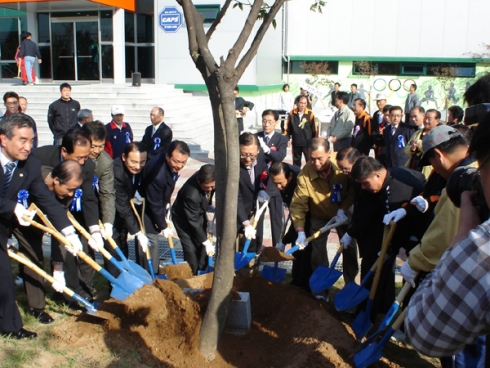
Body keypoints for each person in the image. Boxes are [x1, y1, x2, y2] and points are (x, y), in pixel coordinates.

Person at [404, 115, 490, 363]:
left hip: (467, 299)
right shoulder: (473, 172)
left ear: (438, 157)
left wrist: (415, 261)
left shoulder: (467, 187)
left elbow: (444, 233)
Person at [0, 113, 81, 339]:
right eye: (22, 140)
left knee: (4, 278)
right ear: (3, 139)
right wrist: (12, 207)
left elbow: (46, 199)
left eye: (32, 140)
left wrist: (68, 231)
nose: (29, 146)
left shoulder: (31, 165)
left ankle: (11, 328)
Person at [343, 156, 425, 321]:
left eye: (366, 183)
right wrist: (351, 233)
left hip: (418, 234)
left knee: (413, 282)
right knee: (374, 265)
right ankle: (372, 311)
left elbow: (402, 227)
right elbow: (367, 210)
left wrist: (391, 249)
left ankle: (406, 322)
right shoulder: (378, 185)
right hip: (390, 231)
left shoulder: (399, 191)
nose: (364, 187)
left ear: (377, 176)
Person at [32, 129, 102, 300]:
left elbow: (88, 198)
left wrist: (95, 229)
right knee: (33, 248)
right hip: (31, 203)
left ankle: (70, 290)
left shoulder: (87, 166)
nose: (83, 161)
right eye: (79, 157)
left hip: (63, 203)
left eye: (86, 157)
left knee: (66, 244)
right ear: (64, 151)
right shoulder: (39, 158)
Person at [13, 160, 84, 321]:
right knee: (30, 256)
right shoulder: (33, 174)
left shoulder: (65, 195)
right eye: (70, 189)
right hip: (12, 213)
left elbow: (59, 230)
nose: (71, 194)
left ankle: (37, 305)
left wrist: (58, 269)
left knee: (35, 254)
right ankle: (27, 304)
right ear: (56, 180)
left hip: (35, 222)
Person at [290, 137, 355, 300]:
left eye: (320, 158)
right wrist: (299, 231)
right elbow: (298, 204)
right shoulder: (305, 174)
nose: (316, 163)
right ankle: (321, 292)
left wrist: (343, 208)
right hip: (319, 215)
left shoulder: (341, 166)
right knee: (318, 252)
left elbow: (353, 190)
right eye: (312, 159)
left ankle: (350, 286)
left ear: (329, 153)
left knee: (349, 248)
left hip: (343, 213)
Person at [140, 141, 190, 273]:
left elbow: (164, 193)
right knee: (151, 243)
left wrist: (167, 206)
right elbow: (154, 204)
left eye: (183, 162)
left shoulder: (169, 164)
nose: (179, 165)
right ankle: (151, 275)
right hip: (145, 209)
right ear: (167, 156)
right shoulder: (157, 174)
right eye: (176, 161)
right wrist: (163, 226)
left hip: (156, 204)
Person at [81, 121, 116, 274]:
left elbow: (107, 193)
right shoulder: (74, 154)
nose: (96, 150)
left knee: (110, 246)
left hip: (95, 205)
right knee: (84, 250)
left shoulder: (105, 162)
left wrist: (108, 222)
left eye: (100, 146)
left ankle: (114, 284)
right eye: (93, 146)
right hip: (77, 206)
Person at [270, 162, 310, 291]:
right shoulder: (282, 185)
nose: (279, 186)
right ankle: (296, 282)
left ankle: (304, 285)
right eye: (275, 183)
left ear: (290, 177)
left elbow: (299, 216)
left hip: (307, 215)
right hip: (297, 216)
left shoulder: (299, 183)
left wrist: (284, 240)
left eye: (281, 183)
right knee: (296, 248)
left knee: (304, 251)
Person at [172, 164, 215, 275]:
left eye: (212, 186)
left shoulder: (210, 178)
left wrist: (208, 205)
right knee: (190, 248)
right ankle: (192, 273)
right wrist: (205, 241)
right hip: (183, 219)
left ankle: (203, 270)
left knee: (201, 246)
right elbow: (193, 221)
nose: (210, 189)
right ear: (198, 181)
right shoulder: (191, 195)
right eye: (207, 187)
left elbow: (209, 191)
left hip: (197, 212)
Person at [256, 109, 288, 247]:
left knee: (276, 219)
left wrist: (267, 150)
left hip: (275, 186)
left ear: (276, 122)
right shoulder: (255, 137)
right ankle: (256, 248)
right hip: (259, 184)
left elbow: (279, 157)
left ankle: (277, 247)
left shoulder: (281, 139)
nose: (266, 124)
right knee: (257, 219)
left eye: (270, 121)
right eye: (264, 121)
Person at [113, 142, 148, 260]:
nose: (138, 166)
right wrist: (137, 232)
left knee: (123, 244)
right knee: (115, 249)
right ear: (124, 157)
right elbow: (122, 206)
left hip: (123, 216)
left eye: (142, 162)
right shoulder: (117, 172)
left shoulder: (138, 169)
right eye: (134, 162)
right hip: (111, 216)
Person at [237, 133, 268, 255]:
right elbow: (235, 197)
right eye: (243, 155)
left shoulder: (260, 158)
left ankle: (252, 268)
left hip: (255, 208)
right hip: (238, 212)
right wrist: (245, 222)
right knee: (237, 246)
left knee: (254, 244)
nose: (248, 159)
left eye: (252, 156)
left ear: (258, 151)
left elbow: (265, 173)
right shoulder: (233, 166)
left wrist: (263, 189)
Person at [405, 108, 440, 178]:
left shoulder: (438, 134)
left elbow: (431, 150)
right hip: (413, 168)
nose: (426, 121)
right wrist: (412, 149)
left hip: (428, 171)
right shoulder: (418, 133)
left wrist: (418, 143)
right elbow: (406, 149)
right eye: (425, 118)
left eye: (429, 119)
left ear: (437, 121)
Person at [284, 95, 318, 167]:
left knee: (310, 162)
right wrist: (287, 139)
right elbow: (288, 128)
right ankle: (296, 176)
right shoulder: (292, 113)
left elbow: (314, 129)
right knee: (296, 163)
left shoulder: (310, 113)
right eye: (301, 103)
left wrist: (315, 141)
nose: (303, 105)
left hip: (308, 143)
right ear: (297, 103)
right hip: (296, 143)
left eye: (305, 103)